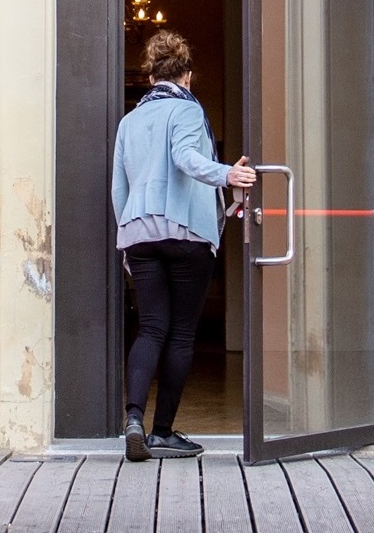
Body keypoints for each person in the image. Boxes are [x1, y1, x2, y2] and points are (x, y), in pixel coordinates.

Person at [111, 30, 256, 462]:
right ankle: (161, 432)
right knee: (181, 335)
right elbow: (185, 157)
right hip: (186, 233)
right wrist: (227, 174)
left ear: (151, 75)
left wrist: (126, 239)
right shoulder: (187, 111)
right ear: (187, 75)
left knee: (152, 327)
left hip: (139, 233)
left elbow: (119, 189)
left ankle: (133, 418)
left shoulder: (129, 121)